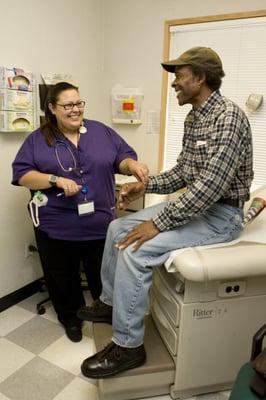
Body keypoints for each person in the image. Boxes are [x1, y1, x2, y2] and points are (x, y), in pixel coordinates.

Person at [77, 46, 253, 377]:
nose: (174, 84)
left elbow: (211, 187)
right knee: (117, 229)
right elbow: (185, 173)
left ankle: (129, 347)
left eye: (179, 77)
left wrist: (159, 222)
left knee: (135, 248)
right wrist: (146, 186)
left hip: (223, 217)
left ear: (199, 78)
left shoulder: (228, 118)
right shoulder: (195, 118)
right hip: (200, 209)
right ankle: (112, 304)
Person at [12, 81, 148, 342]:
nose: (76, 110)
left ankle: (104, 312)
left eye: (79, 103)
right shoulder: (37, 140)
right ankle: (71, 319)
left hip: (99, 224)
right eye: (68, 105)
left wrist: (132, 165)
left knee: (103, 274)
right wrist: (54, 180)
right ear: (52, 108)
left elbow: (122, 156)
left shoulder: (101, 132)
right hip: (57, 226)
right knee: (62, 277)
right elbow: (23, 175)